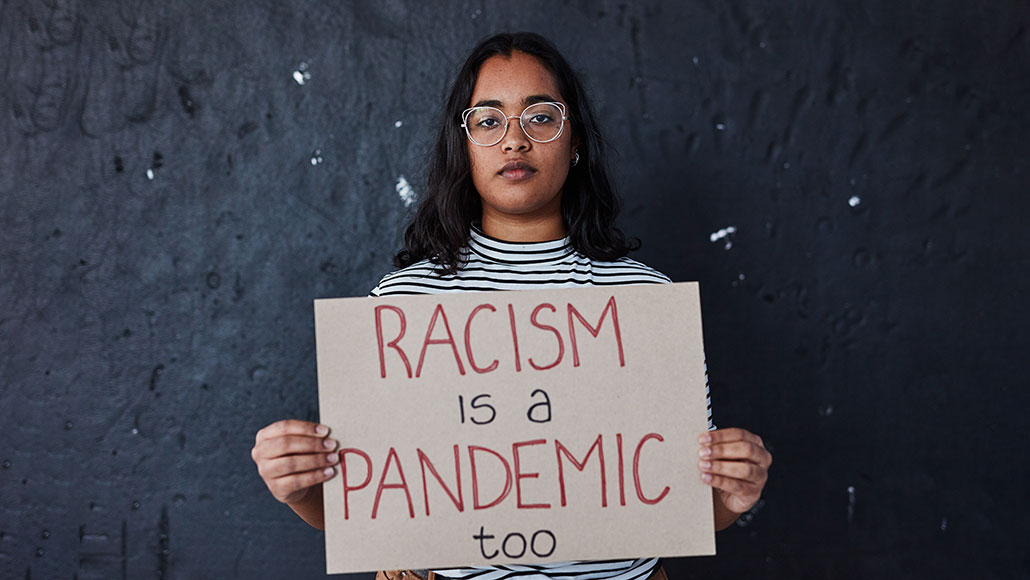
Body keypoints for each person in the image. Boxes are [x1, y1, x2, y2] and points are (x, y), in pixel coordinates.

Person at [251, 32, 772, 580]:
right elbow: (363, 508)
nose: (515, 141)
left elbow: (685, 507)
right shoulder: (406, 305)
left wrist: (735, 496)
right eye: (489, 120)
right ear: (465, 144)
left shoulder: (644, 301)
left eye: (541, 117)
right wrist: (301, 488)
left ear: (574, 142)